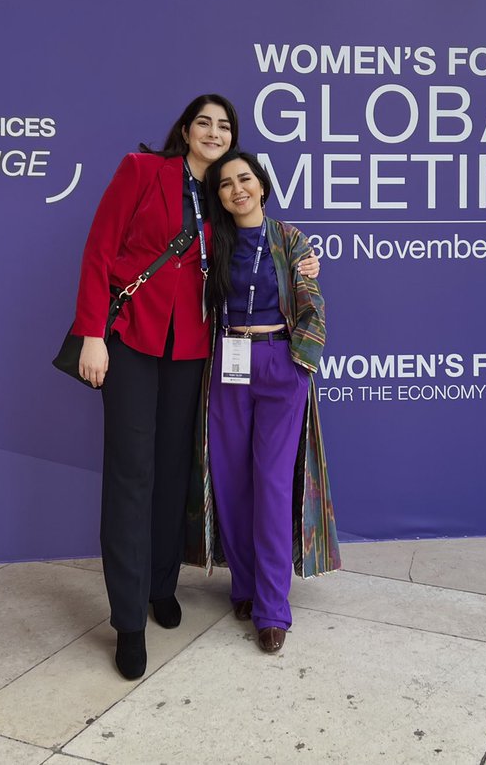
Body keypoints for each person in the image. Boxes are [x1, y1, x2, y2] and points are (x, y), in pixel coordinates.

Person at [70, 97, 319, 679]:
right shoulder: (142, 170)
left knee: (174, 473)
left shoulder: (222, 199)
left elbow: (268, 251)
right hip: (129, 339)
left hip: (194, 353)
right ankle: (128, 621)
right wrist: (91, 334)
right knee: (132, 476)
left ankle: (161, 586)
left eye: (224, 126)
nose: (213, 132)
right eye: (203, 122)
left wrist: (304, 262)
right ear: (184, 130)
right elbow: (99, 250)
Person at [186, 148, 341, 654]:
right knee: (231, 483)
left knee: (272, 485)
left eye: (245, 178)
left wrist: (301, 363)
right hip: (228, 364)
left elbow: (311, 303)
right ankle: (245, 587)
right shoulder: (214, 241)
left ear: (262, 183)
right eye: (226, 183)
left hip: (280, 365)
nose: (237, 189)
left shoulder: (291, 239)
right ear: (220, 196)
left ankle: (274, 608)